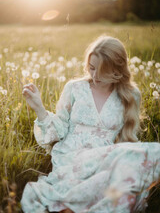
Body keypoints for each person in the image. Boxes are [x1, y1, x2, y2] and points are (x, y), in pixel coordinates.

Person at [20, 35, 160, 213]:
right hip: (73, 156)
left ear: (117, 70)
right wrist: (39, 108)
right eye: (92, 68)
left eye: (101, 71)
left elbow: (127, 139)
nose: (94, 76)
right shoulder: (74, 88)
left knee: (153, 154)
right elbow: (60, 129)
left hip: (107, 157)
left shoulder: (131, 95)